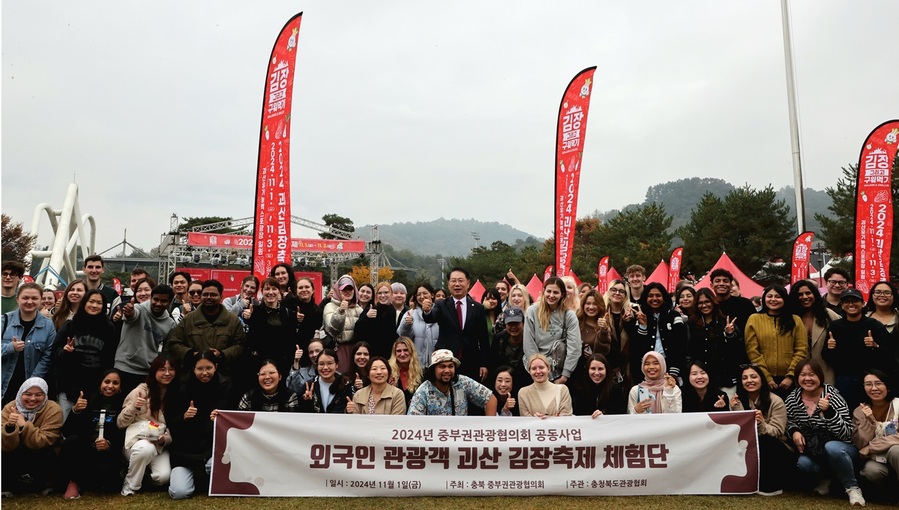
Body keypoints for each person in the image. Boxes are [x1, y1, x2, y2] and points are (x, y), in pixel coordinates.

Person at [786, 358, 864, 504]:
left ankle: (852, 488)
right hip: (816, 451)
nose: (808, 378)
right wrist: (795, 431)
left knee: (832, 447)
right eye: (803, 375)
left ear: (820, 377)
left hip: (842, 449)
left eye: (812, 374)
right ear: (797, 377)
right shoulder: (792, 399)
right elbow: (789, 421)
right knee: (803, 463)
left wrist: (829, 412)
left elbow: (847, 433)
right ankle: (826, 478)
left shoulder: (833, 396)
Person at [167, 351, 233, 499]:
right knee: (179, 493)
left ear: (216, 367)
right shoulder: (180, 386)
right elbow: (170, 423)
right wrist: (184, 417)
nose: (204, 373)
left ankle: (204, 477)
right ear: (193, 369)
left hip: (211, 450)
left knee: (218, 465)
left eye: (208, 368)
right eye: (200, 369)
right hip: (185, 452)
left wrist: (220, 418)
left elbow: (232, 422)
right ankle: (194, 478)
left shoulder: (225, 385)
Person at [59, 369, 127, 499]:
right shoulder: (87, 401)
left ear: (120, 387)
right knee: (73, 441)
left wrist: (109, 444)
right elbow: (67, 431)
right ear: (100, 383)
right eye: (106, 382)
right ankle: (73, 482)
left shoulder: (123, 405)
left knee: (106, 485)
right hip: (85, 451)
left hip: (108, 453)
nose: (110, 386)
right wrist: (76, 410)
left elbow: (124, 433)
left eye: (115, 383)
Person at [822, 288, 893, 410]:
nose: (851, 304)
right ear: (842, 306)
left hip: (870, 378)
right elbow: (826, 356)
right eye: (847, 302)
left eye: (855, 301)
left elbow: (889, 354)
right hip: (845, 379)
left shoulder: (874, 325)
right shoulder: (835, 326)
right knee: (847, 411)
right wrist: (830, 349)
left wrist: (876, 346)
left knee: (870, 411)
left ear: (862, 303)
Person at [52, 289, 117, 421]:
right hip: (68, 385)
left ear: (104, 306)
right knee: (63, 424)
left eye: (99, 303)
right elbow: (55, 353)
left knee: (86, 425)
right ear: (84, 303)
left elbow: (110, 358)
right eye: (91, 301)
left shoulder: (108, 328)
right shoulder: (70, 325)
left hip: (94, 387)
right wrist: (64, 351)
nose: (94, 305)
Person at [117, 355, 177, 496]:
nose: (167, 373)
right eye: (162, 369)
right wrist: (134, 406)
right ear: (154, 372)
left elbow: (174, 427)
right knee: (145, 448)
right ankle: (130, 487)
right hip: (136, 443)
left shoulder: (176, 393)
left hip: (159, 445)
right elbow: (120, 423)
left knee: (163, 477)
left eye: (171, 369)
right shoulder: (141, 391)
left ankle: (137, 471)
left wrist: (164, 439)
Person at [730, 364, 794, 496]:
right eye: (745, 378)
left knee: (764, 441)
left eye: (754, 377)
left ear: (762, 380)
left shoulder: (776, 401)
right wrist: (735, 409)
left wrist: (761, 423)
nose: (749, 381)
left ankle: (773, 486)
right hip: (750, 445)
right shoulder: (738, 400)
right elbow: (740, 430)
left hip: (777, 448)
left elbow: (777, 432)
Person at [167, 280, 246, 380]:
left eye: (213, 294)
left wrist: (222, 354)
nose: (209, 297)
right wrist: (191, 354)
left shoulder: (232, 320)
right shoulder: (188, 319)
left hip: (224, 376)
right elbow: (174, 343)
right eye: (205, 294)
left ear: (221, 297)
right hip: (192, 375)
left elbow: (240, 345)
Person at [421, 268, 489, 381]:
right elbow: (431, 317)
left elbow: (483, 339)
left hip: (471, 361)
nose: (457, 284)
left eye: (460, 280)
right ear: (448, 284)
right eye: (453, 281)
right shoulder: (441, 305)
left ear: (468, 283)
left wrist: (484, 363)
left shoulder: (478, 308)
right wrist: (427, 311)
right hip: (447, 360)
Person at [1, 377, 62, 496]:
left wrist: (24, 424)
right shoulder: (10, 407)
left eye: (39, 395)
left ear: (45, 395)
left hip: (41, 453)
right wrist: (10, 427)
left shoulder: (53, 409)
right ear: (20, 393)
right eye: (27, 394)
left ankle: (44, 484)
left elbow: (43, 441)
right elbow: (4, 445)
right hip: (15, 452)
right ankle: (7, 486)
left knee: (46, 453)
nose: (32, 399)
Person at [745, 284, 808, 398]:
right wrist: (766, 377)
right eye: (769, 296)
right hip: (763, 378)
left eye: (778, 296)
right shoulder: (754, 319)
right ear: (764, 299)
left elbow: (801, 349)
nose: (773, 299)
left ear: (784, 299)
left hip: (790, 379)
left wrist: (790, 376)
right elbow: (752, 350)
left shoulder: (795, 320)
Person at [115, 284, 176, 395]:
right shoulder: (138, 308)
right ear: (151, 298)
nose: (158, 303)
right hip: (124, 367)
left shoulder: (170, 323)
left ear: (169, 303)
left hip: (147, 372)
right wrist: (129, 313)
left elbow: (166, 352)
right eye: (155, 299)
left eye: (163, 301)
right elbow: (132, 315)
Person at [2, 283, 56, 406]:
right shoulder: (4, 321)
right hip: (4, 384)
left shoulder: (48, 326)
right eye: (25, 298)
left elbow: (48, 356)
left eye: (34, 298)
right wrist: (11, 348)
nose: (29, 302)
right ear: (17, 299)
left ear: (41, 300)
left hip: (31, 389)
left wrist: (32, 382)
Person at [523, 276, 581, 385]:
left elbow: (575, 347)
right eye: (548, 291)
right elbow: (528, 342)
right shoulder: (532, 311)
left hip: (558, 371)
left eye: (556, 292)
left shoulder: (569, 316)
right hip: (533, 368)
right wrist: (537, 369)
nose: (551, 295)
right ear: (543, 291)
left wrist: (565, 375)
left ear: (562, 294)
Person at [688, 288, 747, 394]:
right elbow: (688, 348)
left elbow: (736, 349)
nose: (704, 305)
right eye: (700, 303)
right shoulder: (691, 323)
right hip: (701, 377)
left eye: (707, 302)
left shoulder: (724, 321)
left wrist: (729, 334)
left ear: (713, 302)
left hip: (724, 376)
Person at [408, 349, 498, 416]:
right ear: (433, 370)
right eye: (442, 367)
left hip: (460, 436)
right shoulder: (423, 391)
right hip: (435, 437)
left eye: (451, 366)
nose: (447, 370)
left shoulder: (463, 382)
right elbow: (412, 420)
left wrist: (490, 426)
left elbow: (490, 399)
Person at [242, 277, 299, 382]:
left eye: (274, 289)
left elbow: (291, 339)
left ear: (279, 291)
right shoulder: (253, 312)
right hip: (260, 364)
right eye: (267, 289)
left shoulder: (289, 313)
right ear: (262, 291)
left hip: (283, 364)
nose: (271, 292)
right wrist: (248, 319)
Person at [631, 282, 687, 384]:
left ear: (664, 297)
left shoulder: (674, 316)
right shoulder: (640, 316)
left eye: (658, 295)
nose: (654, 298)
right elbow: (637, 347)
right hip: (647, 368)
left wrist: (674, 371)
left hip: (670, 367)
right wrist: (643, 325)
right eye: (650, 296)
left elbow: (681, 344)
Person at [788, 279, 841, 385]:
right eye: (800, 294)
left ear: (815, 294)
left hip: (826, 374)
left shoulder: (829, 315)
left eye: (808, 293)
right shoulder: (788, 319)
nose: (805, 297)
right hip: (797, 376)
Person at [322, 275, 363, 374]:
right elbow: (333, 329)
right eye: (344, 289)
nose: (347, 292)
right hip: (339, 350)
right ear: (338, 290)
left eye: (350, 289)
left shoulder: (359, 309)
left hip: (356, 351)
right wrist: (340, 311)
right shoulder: (330, 306)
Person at [517, 353, 573, 417]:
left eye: (541, 367)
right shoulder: (523, 393)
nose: (538, 371)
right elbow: (525, 421)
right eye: (534, 368)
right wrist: (534, 419)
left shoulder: (562, 390)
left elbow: (566, 418)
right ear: (529, 371)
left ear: (548, 369)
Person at [397, 284, 440, 367]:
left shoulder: (440, 312)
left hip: (436, 363)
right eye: (419, 294)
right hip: (416, 364)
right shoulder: (410, 313)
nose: (422, 296)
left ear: (432, 295)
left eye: (425, 293)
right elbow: (402, 336)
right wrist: (406, 325)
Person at [603, 279, 636, 385]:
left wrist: (628, 323)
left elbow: (635, 341)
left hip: (628, 365)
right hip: (606, 364)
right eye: (614, 290)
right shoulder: (602, 313)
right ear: (608, 292)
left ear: (626, 295)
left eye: (621, 291)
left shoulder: (632, 314)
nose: (617, 293)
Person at [299, 349, 352, 414]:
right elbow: (301, 414)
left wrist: (348, 410)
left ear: (336, 365)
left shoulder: (346, 385)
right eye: (321, 364)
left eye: (329, 363)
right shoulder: (309, 386)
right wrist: (307, 401)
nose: (325, 367)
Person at [355, 282, 399, 359]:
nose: (383, 295)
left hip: (390, 357)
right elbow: (357, 332)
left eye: (386, 292)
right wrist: (366, 317)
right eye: (380, 293)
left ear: (391, 294)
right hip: (371, 356)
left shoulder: (396, 313)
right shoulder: (370, 310)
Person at [708, 269, 757, 337]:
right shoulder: (709, 306)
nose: (721, 284)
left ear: (730, 285)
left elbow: (755, 328)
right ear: (711, 285)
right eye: (717, 281)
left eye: (725, 281)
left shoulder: (745, 304)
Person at [388, 337, 423, 406]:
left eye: (406, 350)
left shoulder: (421, 373)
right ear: (394, 353)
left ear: (411, 352)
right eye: (399, 351)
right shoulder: (388, 371)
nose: (402, 354)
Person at [578, 289, 611, 359]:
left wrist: (603, 330)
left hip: (596, 367)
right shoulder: (576, 322)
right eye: (588, 303)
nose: (591, 307)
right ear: (583, 305)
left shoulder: (605, 325)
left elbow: (604, 351)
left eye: (595, 304)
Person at [295, 277, 324, 352]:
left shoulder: (318, 311)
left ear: (313, 290)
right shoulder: (290, 306)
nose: (304, 290)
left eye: (307, 287)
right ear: (296, 291)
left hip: (311, 352)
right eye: (300, 288)